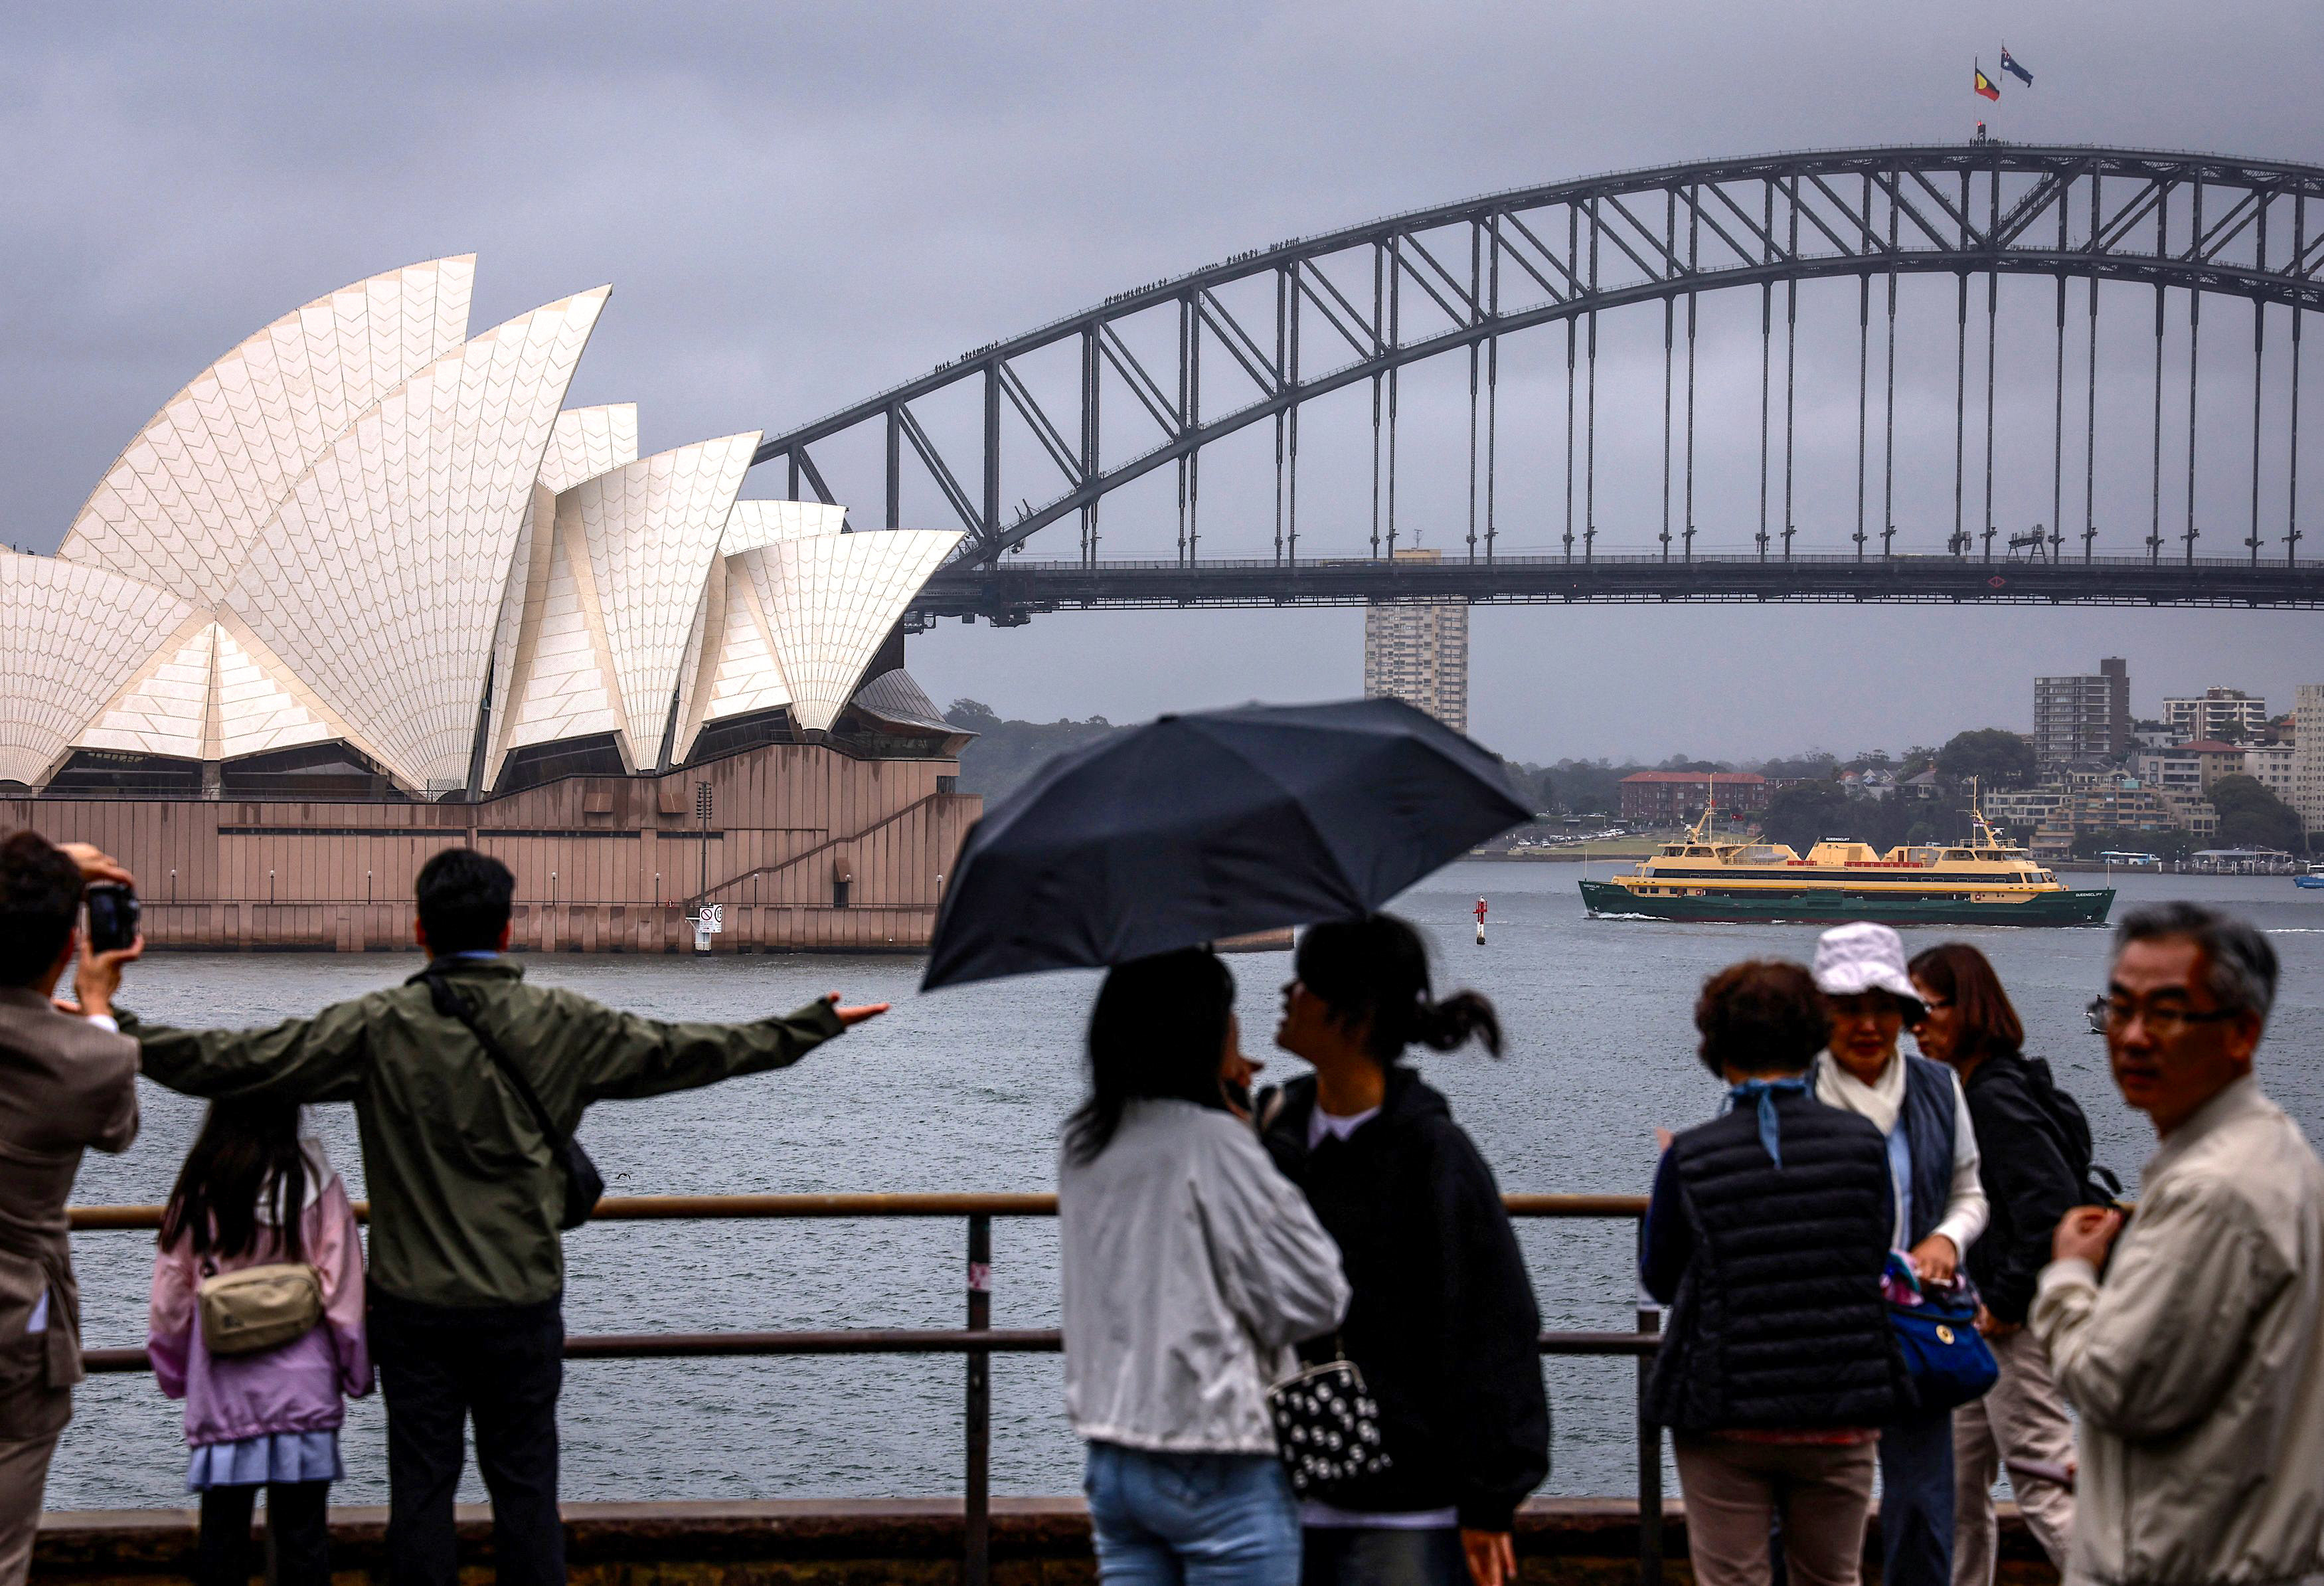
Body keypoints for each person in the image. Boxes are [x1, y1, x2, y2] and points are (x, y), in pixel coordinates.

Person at [76, 847, 890, 1586]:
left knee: (421, 1495)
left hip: (415, 1309)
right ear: (508, 929)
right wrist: (805, 1027)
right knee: (527, 1493)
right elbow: (693, 1051)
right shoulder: (566, 1022)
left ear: (419, 931)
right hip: (521, 1301)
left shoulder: (378, 1027)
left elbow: (239, 1063)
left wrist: (112, 1016)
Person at [2032, 903, 2324, 1586]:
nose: (2131, 1036)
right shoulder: (2280, 1156)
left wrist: (2067, 1279)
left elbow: (2113, 1386)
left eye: (2165, 1012)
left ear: (2239, 1033)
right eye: (2121, 1008)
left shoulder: (2210, 1194)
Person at [1258, 915, 1547, 1586]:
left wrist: (1489, 1496)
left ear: (1353, 1017)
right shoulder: (1274, 1136)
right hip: (1276, 1493)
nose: (1286, 994)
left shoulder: (1435, 1158)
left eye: (1306, 984)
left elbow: (1494, 1327)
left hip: (1405, 1506)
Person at [1060, 948, 1350, 1586]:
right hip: (1214, 1454)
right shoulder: (1217, 1145)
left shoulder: (1084, 1142)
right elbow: (1317, 1296)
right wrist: (1249, 1140)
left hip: (1113, 1454)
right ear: (1205, 1036)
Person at [1643, 959, 1900, 1586]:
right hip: (1838, 1400)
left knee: (1732, 1579)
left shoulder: (1693, 1157)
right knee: (1832, 1577)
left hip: (1724, 1403)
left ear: (1717, 1047)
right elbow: (1874, 1252)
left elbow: (1659, 1277)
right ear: (1813, 1039)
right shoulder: (1863, 1144)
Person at [1809, 922, 1987, 1586]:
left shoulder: (1938, 1088)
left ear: (1904, 1015)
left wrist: (1946, 1238)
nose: (1866, 1025)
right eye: (1848, 1008)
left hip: (1916, 1327)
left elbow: (1969, 1190)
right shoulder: (1791, 1092)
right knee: (1811, 1509)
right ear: (1820, 1013)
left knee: (1921, 1508)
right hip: (1817, 1332)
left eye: (1882, 1007)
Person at [1904, 944, 2078, 1585]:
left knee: (2044, 1489)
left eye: (1923, 1009)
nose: (1912, 1027)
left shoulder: (1994, 1097)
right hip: (1978, 1322)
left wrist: (2005, 1302)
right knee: (1952, 1490)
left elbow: (2050, 1208)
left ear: (1966, 1008)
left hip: (2010, 1325)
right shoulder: (1988, 1086)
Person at [149, 1101, 370, 1586]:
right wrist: (356, 1373)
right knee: (304, 1542)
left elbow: (170, 1302)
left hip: (225, 1389)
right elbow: (345, 1297)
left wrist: (177, 1376)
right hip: (304, 1392)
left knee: (222, 1541)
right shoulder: (318, 1182)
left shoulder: (199, 1186)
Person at [0, 832, 141, 1586]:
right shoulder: (95, 1058)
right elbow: (120, 1132)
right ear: (68, 946)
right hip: (16, 1324)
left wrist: (44, 865)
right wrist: (94, 1007)